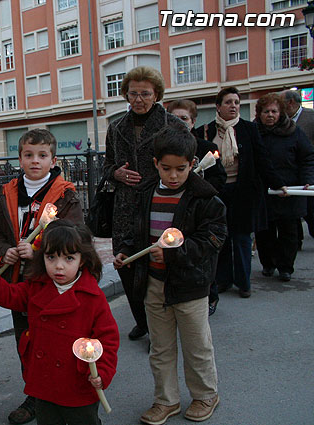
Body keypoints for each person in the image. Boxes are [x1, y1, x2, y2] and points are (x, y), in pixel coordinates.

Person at [114, 124, 227, 425]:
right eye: (166, 168)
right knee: (160, 347)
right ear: (156, 164)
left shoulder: (204, 198)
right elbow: (137, 231)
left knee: (197, 346)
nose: (173, 175)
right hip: (154, 283)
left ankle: (205, 395)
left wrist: (175, 253)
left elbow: (213, 239)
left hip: (190, 285)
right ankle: (166, 399)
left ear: (192, 164)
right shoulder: (145, 193)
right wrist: (126, 250)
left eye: (181, 169)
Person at [0, 128, 84, 424]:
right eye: (28, 155)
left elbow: (77, 237)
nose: (35, 161)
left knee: (56, 341)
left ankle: (64, 393)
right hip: (21, 285)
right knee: (27, 343)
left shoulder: (66, 195)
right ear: (19, 159)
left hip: (53, 283)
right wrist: (4, 252)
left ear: (53, 160)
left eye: (42, 155)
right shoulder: (8, 194)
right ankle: (36, 396)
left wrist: (39, 251)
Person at [0, 220, 119, 425]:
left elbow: (108, 340)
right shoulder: (37, 286)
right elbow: (10, 295)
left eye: (69, 258)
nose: (59, 266)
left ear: (82, 260)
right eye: (51, 257)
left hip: (78, 383)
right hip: (44, 381)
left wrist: (103, 372)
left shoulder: (92, 297)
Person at [102, 66, 183, 341]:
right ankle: (142, 320)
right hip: (125, 207)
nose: (138, 99)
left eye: (145, 94)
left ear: (156, 95)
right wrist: (115, 173)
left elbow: (186, 163)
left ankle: (161, 330)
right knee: (126, 263)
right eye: (133, 93)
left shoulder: (173, 125)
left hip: (161, 204)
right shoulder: (116, 127)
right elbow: (106, 165)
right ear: (126, 95)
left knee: (159, 264)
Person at [195, 87, 285, 298]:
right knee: (222, 238)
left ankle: (244, 283)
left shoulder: (248, 129)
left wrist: (278, 184)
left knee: (243, 238)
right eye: (228, 102)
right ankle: (224, 279)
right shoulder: (205, 131)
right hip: (217, 191)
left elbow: (262, 160)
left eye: (236, 102)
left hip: (244, 192)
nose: (233, 106)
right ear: (218, 106)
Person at [166, 100, 226, 315]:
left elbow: (219, 177)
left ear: (192, 122)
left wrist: (201, 188)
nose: (179, 122)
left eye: (184, 118)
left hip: (197, 209)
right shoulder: (164, 149)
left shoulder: (206, 148)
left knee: (201, 254)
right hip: (173, 209)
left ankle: (210, 294)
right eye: (174, 118)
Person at [253, 93, 314, 282]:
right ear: (259, 113)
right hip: (264, 192)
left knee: (289, 232)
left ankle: (286, 267)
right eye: (266, 112)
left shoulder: (294, 131)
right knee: (265, 232)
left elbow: (307, 158)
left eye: (274, 111)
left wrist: (307, 180)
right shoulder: (253, 132)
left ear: (281, 113)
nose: (270, 115)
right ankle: (268, 264)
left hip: (290, 190)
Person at [280, 89, 314, 242]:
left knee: (310, 209)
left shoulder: (310, 117)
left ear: (290, 103)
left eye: (281, 103)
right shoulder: (282, 121)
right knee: (292, 209)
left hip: (308, 171)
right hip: (290, 172)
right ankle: (296, 240)